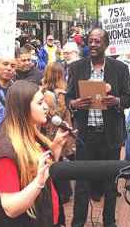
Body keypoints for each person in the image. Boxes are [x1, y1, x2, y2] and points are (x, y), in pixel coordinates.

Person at [67, 28, 130, 227]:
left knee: (110, 182)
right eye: (90, 41)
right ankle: (78, 223)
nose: (93, 45)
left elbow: (128, 98)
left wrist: (116, 101)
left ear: (106, 45)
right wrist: (74, 104)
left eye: (97, 41)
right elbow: (69, 97)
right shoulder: (77, 67)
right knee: (82, 183)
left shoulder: (119, 69)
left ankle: (109, 222)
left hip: (109, 135)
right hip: (86, 136)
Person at [0, 80, 69, 226]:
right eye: (40, 103)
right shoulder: (4, 152)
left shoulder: (30, 133)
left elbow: (45, 170)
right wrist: (38, 183)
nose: (46, 107)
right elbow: (10, 207)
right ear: (22, 108)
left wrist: (57, 146)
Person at [42, 62, 75, 203]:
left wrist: (46, 109)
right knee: (56, 161)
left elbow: (59, 112)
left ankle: (64, 193)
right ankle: (63, 192)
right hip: (50, 131)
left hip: (58, 131)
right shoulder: (46, 91)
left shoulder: (61, 93)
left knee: (57, 162)